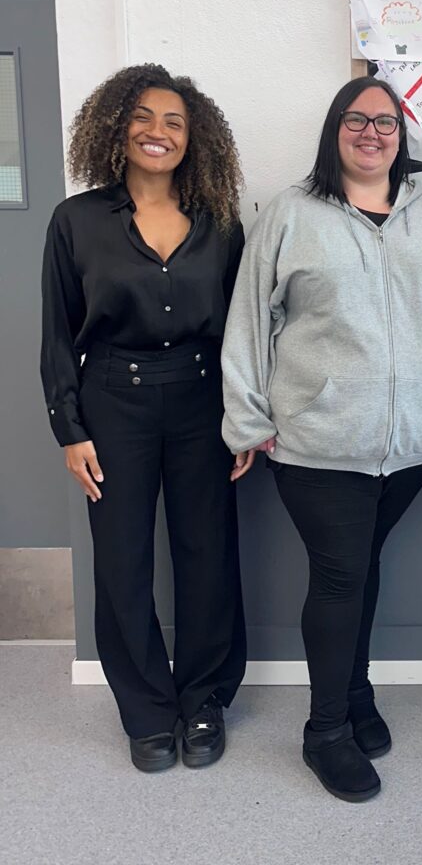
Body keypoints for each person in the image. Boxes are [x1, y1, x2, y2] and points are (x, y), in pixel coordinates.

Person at [221, 76, 422, 802]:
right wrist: (246, 421)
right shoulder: (293, 214)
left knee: (360, 566)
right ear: (334, 130)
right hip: (319, 440)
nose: (371, 133)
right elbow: (246, 321)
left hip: (414, 446)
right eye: (355, 120)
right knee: (339, 575)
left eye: (385, 122)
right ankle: (325, 730)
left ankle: (354, 695)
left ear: (402, 134)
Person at [40, 64, 247, 773]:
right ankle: (147, 711)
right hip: (112, 404)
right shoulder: (76, 221)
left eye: (174, 122)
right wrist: (70, 430)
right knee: (123, 560)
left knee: (207, 556)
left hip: (201, 402)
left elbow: (244, 333)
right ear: (116, 126)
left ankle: (202, 700)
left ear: (196, 139)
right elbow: (57, 333)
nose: (157, 132)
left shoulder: (220, 223)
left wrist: (244, 418)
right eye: (144, 118)